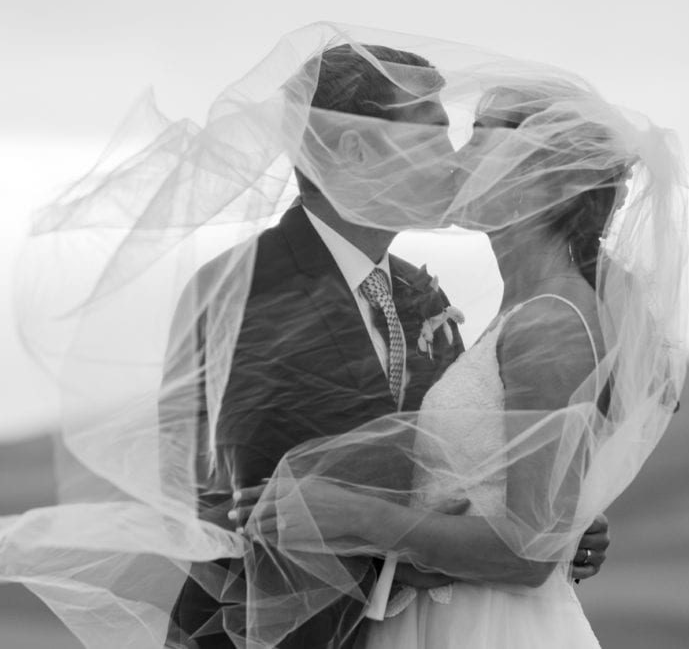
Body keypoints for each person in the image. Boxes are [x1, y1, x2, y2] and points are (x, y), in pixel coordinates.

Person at [163, 44, 612, 648]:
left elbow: (457, 463)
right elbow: (258, 506)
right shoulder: (248, 287)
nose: (454, 158)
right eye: (431, 133)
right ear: (355, 147)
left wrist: (548, 514)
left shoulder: (418, 293)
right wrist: (457, 553)